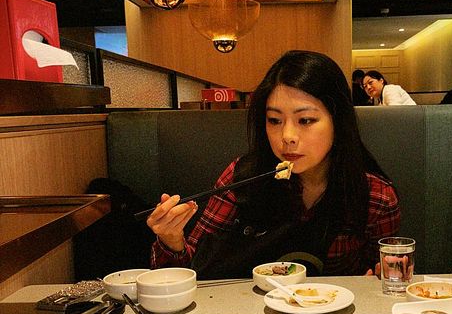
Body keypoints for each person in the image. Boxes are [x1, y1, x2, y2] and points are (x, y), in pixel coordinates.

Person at [147, 50, 401, 278]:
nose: (287, 136)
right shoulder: (242, 178)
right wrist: (171, 241)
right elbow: (192, 268)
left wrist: (380, 278)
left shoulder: (375, 196)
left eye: (306, 120)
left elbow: (381, 276)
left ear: (338, 121)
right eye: (274, 120)